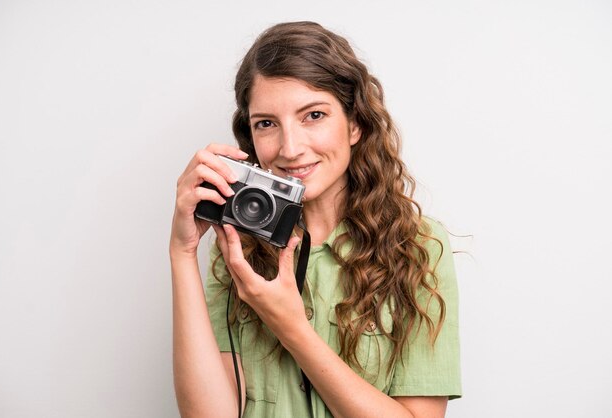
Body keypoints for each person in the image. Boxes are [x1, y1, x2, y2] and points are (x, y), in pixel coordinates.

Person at [169, 21, 461, 418]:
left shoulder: (419, 248)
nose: (290, 148)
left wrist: (290, 326)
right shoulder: (240, 247)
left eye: (313, 115)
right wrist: (182, 253)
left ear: (355, 123)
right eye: (266, 124)